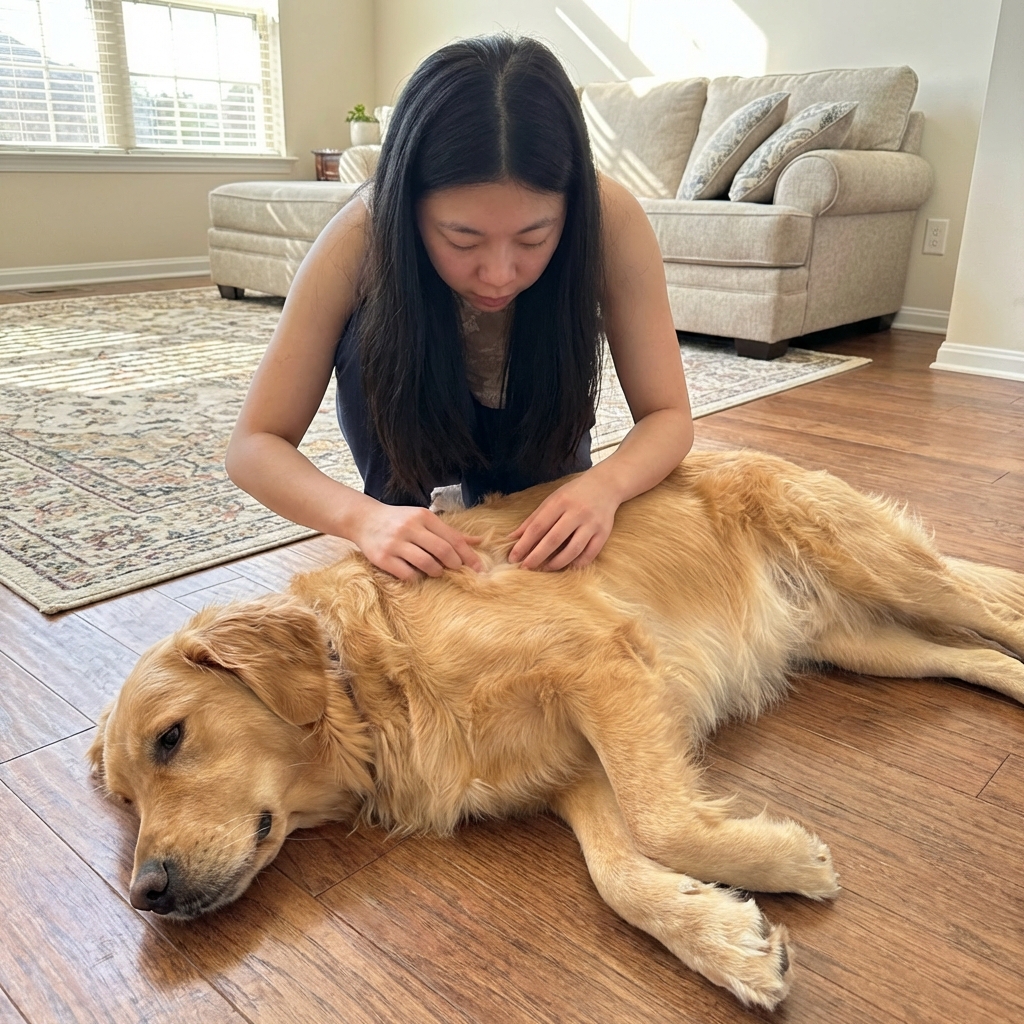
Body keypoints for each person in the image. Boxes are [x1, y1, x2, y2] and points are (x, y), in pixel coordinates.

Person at [226, 34, 693, 582]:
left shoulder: (609, 217)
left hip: (540, 479)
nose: (498, 274)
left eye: (533, 238)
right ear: (409, 206)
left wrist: (604, 486)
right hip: (410, 485)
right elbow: (254, 445)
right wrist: (364, 519)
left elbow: (668, 415)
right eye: (462, 240)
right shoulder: (361, 236)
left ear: (570, 206)